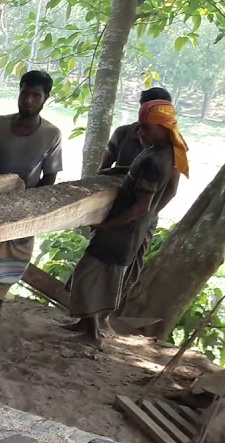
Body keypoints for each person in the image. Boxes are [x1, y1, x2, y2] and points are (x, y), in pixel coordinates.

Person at [65, 99, 189, 345]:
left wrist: (108, 225)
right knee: (96, 276)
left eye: (145, 127)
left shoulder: (154, 162)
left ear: (162, 128)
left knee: (90, 276)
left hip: (122, 232)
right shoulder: (162, 153)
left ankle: (92, 334)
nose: (139, 132)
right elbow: (153, 186)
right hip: (130, 229)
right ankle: (84, 323)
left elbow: (141, 205)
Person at [0, 69, 63, 317]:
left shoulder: (51, 134)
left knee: (15, 258)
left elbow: (49, 177)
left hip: (25, 206)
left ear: (45, 98)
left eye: (35, 95)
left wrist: (32, 207)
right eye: (25, 94)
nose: (29, 100)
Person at [101, 86, 181, 214]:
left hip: (141, 215)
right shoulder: (122, 133)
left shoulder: (172, 148)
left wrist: (148, 216)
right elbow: (103, 170)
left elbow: (171, 190)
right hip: (113, 206)